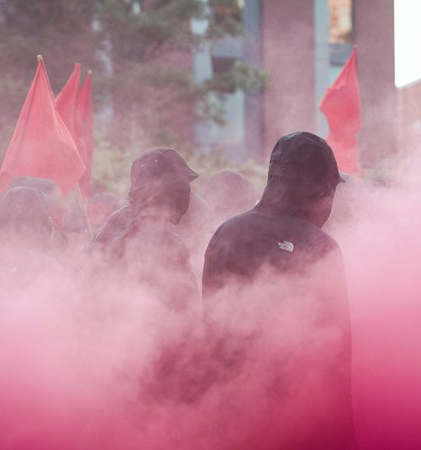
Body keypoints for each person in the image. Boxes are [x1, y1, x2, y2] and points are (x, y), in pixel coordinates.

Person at [201, 131, 357, 449]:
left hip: (233, 418)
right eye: (329, 189)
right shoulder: (320, 246)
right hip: (300, 424)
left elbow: (211, 330)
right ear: (315, 188)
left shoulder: (226, 233)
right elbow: (336, 358)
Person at [92, 147, 200, 314]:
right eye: (181, 187)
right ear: (164, 191)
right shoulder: (164, 241)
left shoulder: (117, 221)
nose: (187, 193)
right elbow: (185, 307)